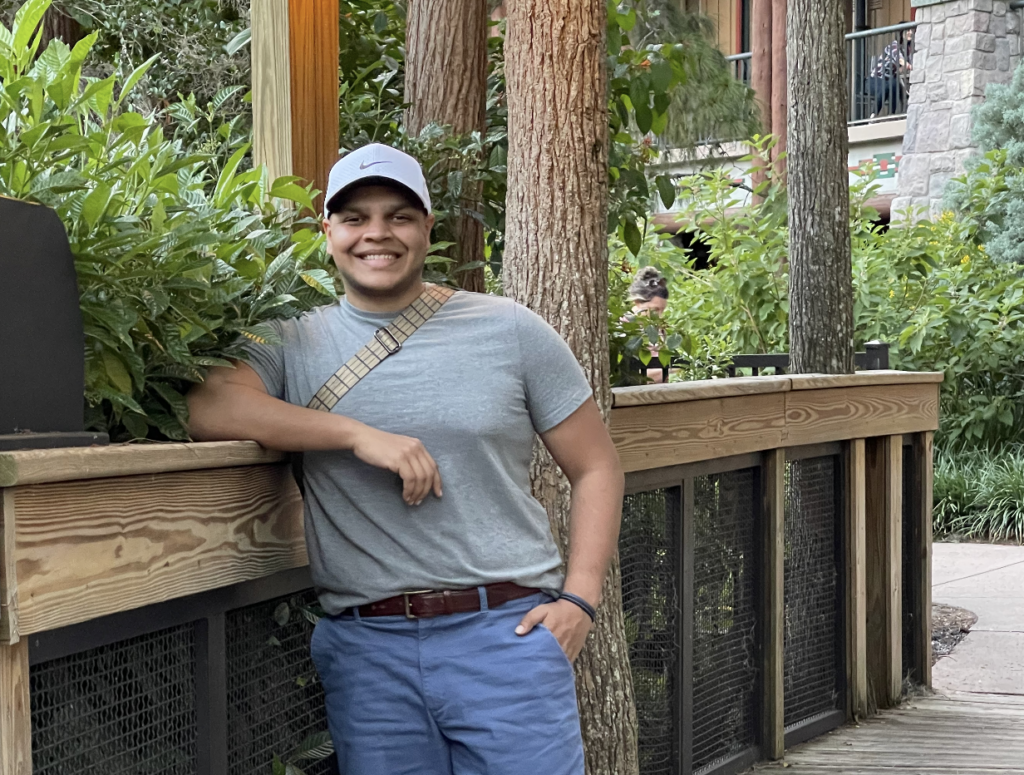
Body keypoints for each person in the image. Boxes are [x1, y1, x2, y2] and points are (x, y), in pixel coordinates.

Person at [186, 143, 625, 775]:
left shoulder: (511, 330)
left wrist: (580, 600)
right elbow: (209, 405)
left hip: (507, 635)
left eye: (398, 216)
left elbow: (596, 467)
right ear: (327, 232)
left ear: (426, 228)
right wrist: (355, 434)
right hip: (367, 651)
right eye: (355, 217)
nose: (376, 234)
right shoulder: (291, 336)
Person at [627, 267, 670, 382]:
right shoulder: (625, 329)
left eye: (662, 310)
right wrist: (673, 371)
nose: (660, 316)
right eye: (655, 310)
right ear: (638, 302)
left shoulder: (659, 329)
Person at [867, 23, 913, 118]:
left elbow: (900, 69)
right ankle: (873, 115)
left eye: (911, 30)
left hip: (888, 81)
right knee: (888, 85)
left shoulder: (906, 51)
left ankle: (892, 114)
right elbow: (900, 60)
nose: (911, 32)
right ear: (901, 33)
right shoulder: (893, 46)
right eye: (908, 30)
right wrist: (911, 67)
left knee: (894, 83)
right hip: (874, 80)